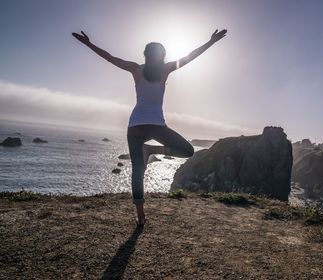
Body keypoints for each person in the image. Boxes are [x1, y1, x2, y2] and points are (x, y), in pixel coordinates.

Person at [72, 28, 227, 226]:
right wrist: (211, 42)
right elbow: (190, 57)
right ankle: (151, 154)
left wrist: (88, 44)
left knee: (138, 171)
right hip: (156, 126)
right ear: (162, 56)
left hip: (135, 126)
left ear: (145, 54)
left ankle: (140, 213)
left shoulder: (136, 69)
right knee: (186, 150)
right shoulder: (165, 70)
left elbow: (110, 58)